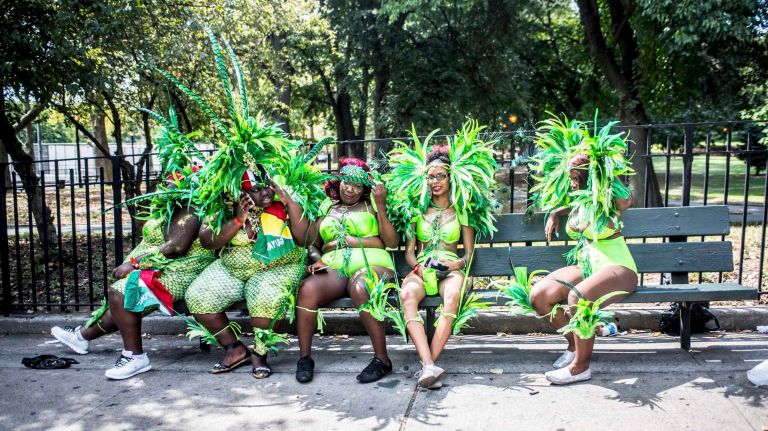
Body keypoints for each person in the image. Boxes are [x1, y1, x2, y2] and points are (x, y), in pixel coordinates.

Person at [51, 106, 214, 380]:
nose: (168, 182)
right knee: (121, 297)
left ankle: (135, 357)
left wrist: (135, 263)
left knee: (120, 293)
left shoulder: (190, 208)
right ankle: (82, 336)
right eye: (168, 176)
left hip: (181, 271)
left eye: (175, 177)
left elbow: (176, 247)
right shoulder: (170, 208)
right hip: (163, 268)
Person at [386, 121, 498, 389]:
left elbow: (469, 254)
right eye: (430, 177)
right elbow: (411, 253)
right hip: (422, 269)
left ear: (451, 178)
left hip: (451, 269)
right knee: (406, 295)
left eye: (440, 176)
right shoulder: (416, 210)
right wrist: (418, 269)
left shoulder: (463, 210)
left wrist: (454, 264)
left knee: (453, 296)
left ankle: (428, 365)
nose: (434, 182)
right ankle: (429, 365)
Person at [527, 115, 637, 385]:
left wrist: (602, 170)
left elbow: (627, 200)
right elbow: (573, 205)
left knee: (578, 298)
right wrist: (555, 211)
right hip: (588, 268)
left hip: (619, 267)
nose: (571, 182)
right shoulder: (579, 201)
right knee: (539, 295)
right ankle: (575, 344)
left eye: (576, 177)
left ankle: (580, 367)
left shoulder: (609, 197)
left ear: (589, 176)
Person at [184, 169, 310, 379]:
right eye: (255, 190)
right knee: (198, 296)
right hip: (232, 268)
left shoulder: (286, 201)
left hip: (277, 267)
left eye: (266, 187)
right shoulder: (225, 205)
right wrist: (237, 219)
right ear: (241, 193)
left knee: (266, 299)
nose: (265, 194)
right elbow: (207, 242)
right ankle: (234, 349)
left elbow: (305, 238)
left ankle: (260, 355)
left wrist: (289, 203)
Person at [294, 158, 400, 384]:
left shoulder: (372, 205)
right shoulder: (327, 207)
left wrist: (380, 207)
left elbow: (390, 242)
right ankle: (304, 358)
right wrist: (317, 257)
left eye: (357, 185)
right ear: (338, 182)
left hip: (372, 263)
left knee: (359, 287)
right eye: (346, 183)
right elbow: (312, 242)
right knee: (308, 289)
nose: (349, 189)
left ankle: (382, 359)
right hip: (334, 265)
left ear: (364, 189)